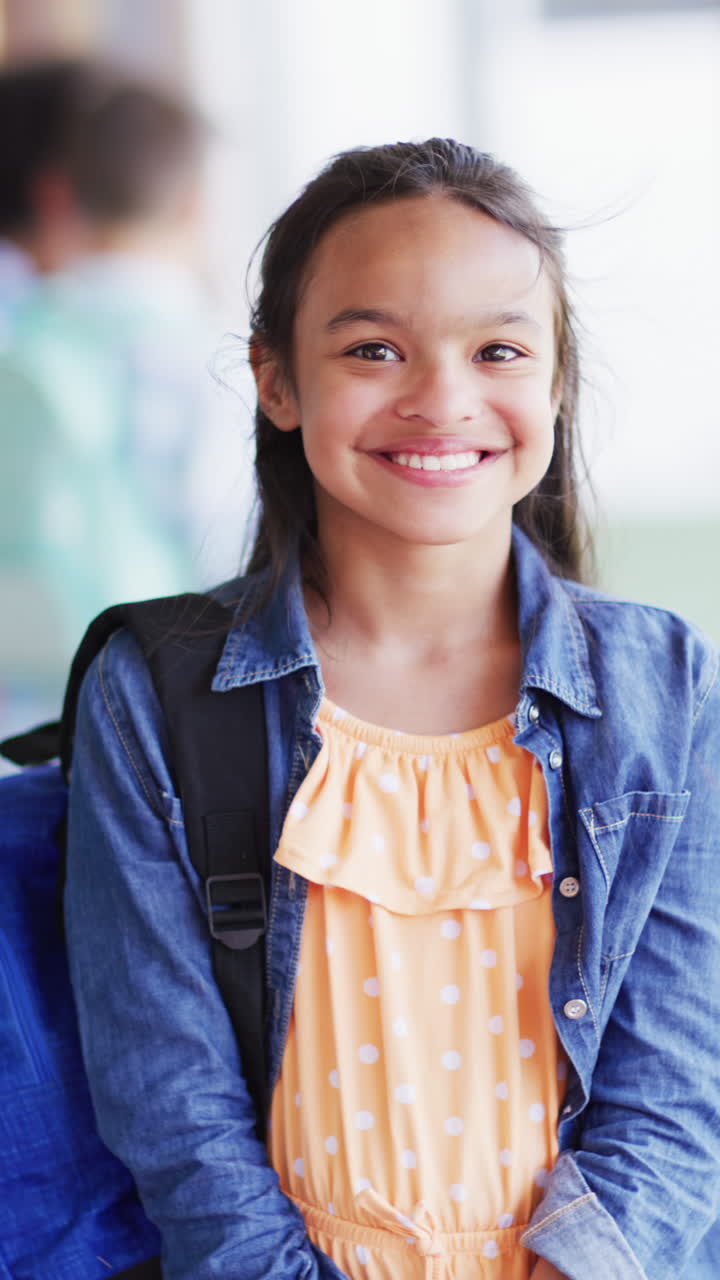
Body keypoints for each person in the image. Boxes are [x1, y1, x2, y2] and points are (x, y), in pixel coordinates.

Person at [64, 138, 720, 1280]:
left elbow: (676, 1094)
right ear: (276, 379)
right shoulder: (153, 692)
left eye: (500, 349)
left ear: (555, 384)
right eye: (374, 347)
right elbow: (172, 1111)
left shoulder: (665, 686)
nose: (441, 399)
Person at [0, 59, 251, 741]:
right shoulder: (217, 358)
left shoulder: (20, 345)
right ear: (194, 203)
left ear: (62, 192)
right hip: (166, 701)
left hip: (29, 706)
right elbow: (226, 541)